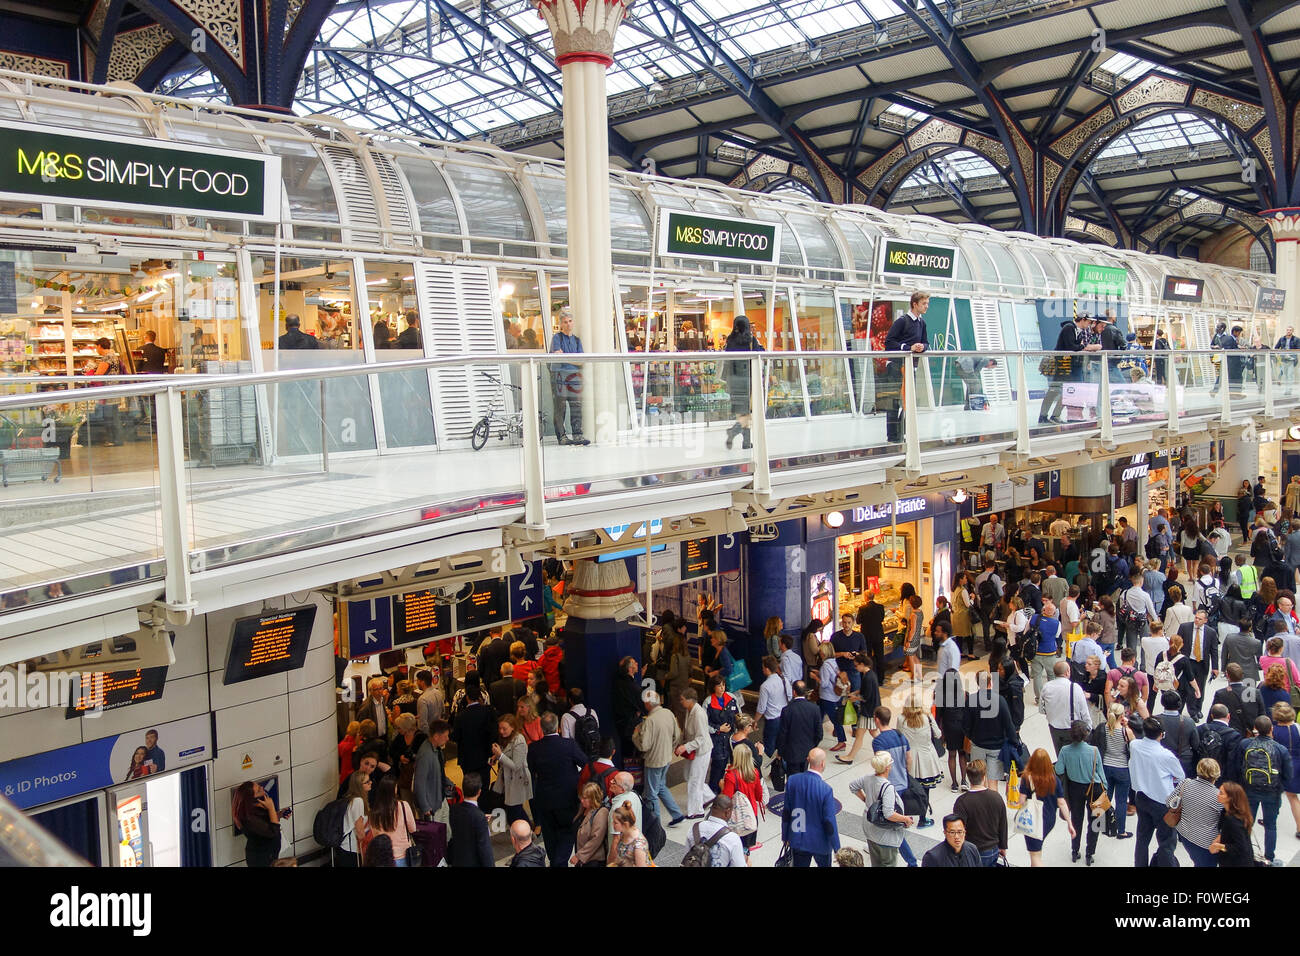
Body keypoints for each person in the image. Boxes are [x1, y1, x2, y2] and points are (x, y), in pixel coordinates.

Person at [527, 711, 588, 866]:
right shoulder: (569, 745)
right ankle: (558, 863)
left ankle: (555, 861)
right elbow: (586, 764)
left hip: (544, 798)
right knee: (567, 833)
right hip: (567, 799)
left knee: (549, 835)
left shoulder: (533, 748)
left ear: (542, 728)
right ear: (557, 727)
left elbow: (532, 770)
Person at [1130, 717, 1186, 867]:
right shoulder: (1166, 755)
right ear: (1161, 734)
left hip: (1141, 798)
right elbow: (1181, 777)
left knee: (1142, 839)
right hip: (1162, 802)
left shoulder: (1135, 746)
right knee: (1167, 842)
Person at [1242, 714, 1294, 865]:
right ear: (1272, 729)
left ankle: (1247, 853)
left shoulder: (1245, 744)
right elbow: (1288, 774)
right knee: (1270, 825)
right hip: (1272, 791)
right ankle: (1269, 857)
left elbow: (1238, 766)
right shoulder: (1280, 749)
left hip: (1249, 789)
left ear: (1255, 730)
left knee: (1247, 823)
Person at [1054, 720, 1107, 864]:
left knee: (1076, 820)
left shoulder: (1065, 750)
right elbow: (1101, 773)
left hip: (1074, 787)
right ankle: (1090, 853)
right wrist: (1105, 790)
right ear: (1086, 734)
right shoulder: (1094, 750)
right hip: (1094, 788)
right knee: (1096, 821)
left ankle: (1074, 850)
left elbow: (1058, 770)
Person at [850, 751, 914, 867]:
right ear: (888, 767)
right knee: (888, 862)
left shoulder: (868, 778)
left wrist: (865, 799)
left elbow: (853, 786)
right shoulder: (887, 787)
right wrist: (906, 819)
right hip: (884, 835)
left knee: (876, 862)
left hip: (869, 828)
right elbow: (888, 813)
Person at [883, 291, 930, 442]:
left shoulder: (922, 323)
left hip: (911, 367)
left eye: (927, 303)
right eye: (924, 303)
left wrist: (922, 347)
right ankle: (892, 435)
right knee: (895, 400)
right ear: (915, 304)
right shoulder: (902, 321)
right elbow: (889, 342)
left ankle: (901, 432)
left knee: (908, 401)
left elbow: (926, 343)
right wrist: (907, 347)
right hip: (897, 366)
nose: (926, 306)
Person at [781, 748, 840, 867]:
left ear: (808, 760)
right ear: (823, 763)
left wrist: (785, 836)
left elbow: (786, 812)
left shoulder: (792, 781)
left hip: (798, 839)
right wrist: (837, 847)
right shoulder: (825, 790)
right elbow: (829, 822)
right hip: (820, 843)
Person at [633, 691, 684, 826]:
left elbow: (644, 745)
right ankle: (677, 814)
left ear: (648, 704)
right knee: (661, 786)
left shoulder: (650, 721)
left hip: (654, 761)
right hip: (667, 758)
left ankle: (655, 825)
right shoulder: (668, 713)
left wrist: (636, 735)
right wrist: (670, 748)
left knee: (651, 794)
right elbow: (677, 734)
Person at [1018, 748, 1074, 866]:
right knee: (1037, 851)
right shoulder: (1054, 779)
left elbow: (1021, 801)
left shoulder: (1027, 778)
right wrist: (1069, 822)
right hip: (1049, 819)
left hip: (1032, 821)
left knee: (1035, 856)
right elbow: (1062, 803)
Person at [1040, 312, 1098, 424]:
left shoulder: (1077, 331)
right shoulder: (1069, 328)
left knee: (1066, 392)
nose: (1090, 324)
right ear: (1083, 320)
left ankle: (1054, 415)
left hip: (1068, 365)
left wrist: (1081, 347)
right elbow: (1072, 347)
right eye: (1089, 322)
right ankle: (1044, 415)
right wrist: (1084, 347)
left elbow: (1075, 347)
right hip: (1062, 364)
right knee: (1055, 391)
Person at [1166, 758, 1225, 868]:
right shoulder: (1219, 796)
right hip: (1206, 843)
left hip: (1185, 834)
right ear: (1216, 774)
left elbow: (1169, 802)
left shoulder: (1185, 783)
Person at [953, 760, 1007, 866]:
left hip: (972, 850)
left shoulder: (962, 802)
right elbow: (1003, 824)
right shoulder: (996, 797)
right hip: (993, 849)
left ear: (969, 777)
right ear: (984, 777)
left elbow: (958, 830)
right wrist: (1003, 846)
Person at [722, 315, 763, 449]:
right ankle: (733, 432)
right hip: (748, 380)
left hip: (734, 381)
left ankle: (746, 442)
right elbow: (760, 353)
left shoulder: (730, 341)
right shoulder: (750, 340)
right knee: (747, 412)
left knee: (743, 412)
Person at [549, 308, 589, 445]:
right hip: (559, 377)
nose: (568, 324)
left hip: (574, 377)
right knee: (560, 407)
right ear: (561, 324)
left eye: (570, 321)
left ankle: (578, 435)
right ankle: (562, 437)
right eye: (565, 322)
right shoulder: (556, 338)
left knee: (576, 405)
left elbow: (582, 361)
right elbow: (559, 357)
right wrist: (574, 359)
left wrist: (565, 357)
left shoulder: (577, 341)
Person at [361, 777, 417, 867]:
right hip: (402, 854)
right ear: (394, 790)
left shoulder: (374, 811)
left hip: (382, 856)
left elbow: (375, 835)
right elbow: (412, 829)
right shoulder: (403, 806)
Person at [721, 745, 765, 857]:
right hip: (751, 817)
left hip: (736, 819)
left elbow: (725, 799)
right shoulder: (754, 772)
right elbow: (759, 796)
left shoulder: (731, 776)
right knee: (745, 850)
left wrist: (722, 786)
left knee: (734, 851)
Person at [1041, 659, 1092, 755]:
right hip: (1072, 729)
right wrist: (1088, 727)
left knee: (1060, 755)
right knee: (1074, 756)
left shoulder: (1046, 687)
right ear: (1067, 672)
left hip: (1054, 728)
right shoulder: (1075, 687)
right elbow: (1084, 711)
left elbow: (1041, 709)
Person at [490, 714, 533, 825]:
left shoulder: (519, 741)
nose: (501, 731)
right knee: (516, 811)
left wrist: (500, 755)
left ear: (513, 727)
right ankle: (526, 834)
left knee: (515, 813)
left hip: (518, 781)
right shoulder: (507, 739)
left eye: (504, 728)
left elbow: (516, 766)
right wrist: (495, 757)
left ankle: (526, 835)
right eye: (500, 728)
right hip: (509, 781)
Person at [1177, 609, 1219, 722]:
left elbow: (1214, 650)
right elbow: (1178, 644)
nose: (1196, 620)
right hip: (1188, 662)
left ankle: (1198, 708)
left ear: (1205, 620)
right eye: (1196, 617)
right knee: (1187, 687)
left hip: (1202, 663)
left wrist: (1215, 667)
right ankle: (1192, 711)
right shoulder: (1184, 627)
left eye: (1200, 619)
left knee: (1200, 687)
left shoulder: (1211, 632)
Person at [677, 688, 714, 817]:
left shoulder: (698, 714)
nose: (680, 702)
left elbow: (701, 738)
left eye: (682, 699)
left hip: (702, 751)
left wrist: (685, 747)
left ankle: (696, 811)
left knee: (695, 780)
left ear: (689, 700)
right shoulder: (690, 710)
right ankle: (708, 797)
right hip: (695, 749)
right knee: (688, 775)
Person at [682, 794, 746, 867]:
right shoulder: (732, 839)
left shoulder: (694, 828)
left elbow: (686, 858)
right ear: (727, 812)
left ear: (711, 809)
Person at [776, 680, 821, 777]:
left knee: (792, 778)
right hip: (807, 751)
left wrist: (780, 751)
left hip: (791, 753)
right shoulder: (815, 709)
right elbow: (819, 733)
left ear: (794, 692)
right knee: (804, 773)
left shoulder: (787, 710)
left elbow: (782, 734)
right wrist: (812, 746)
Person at [231, 780, 282, 867]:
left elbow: (266, 823)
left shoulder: (254, 808)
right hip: (262, 859)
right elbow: (273, 831)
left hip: (269, 854)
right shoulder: (249, 819)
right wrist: (271, 808)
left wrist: (278, 815)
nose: (262, 788)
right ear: (251, 798)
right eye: (258, 789)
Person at [1210, 781, 1257, 866]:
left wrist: (1219, 846)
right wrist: (1219, 837)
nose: (1218, 795)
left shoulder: (1233, 821)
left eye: (1221, 793)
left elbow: (1241, 847)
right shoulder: (1226, 812)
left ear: (1230, 798)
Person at [570, 783, 610, 867]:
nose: (581, 800)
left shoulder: (601, 812)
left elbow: (596, 839)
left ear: (593, 798)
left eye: (585, 798)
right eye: (581, 797)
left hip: (593, 861)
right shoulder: (583, 809)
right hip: (583, 860)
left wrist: (579, 856)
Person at [336, 770, 371, 868]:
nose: (370, 783)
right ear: (359, 786)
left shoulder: (353, 798)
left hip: (348, 848)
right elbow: (359, 831)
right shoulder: (358, 801)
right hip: (352, 849)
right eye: (367, 782)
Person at [857, 590, 888, 674]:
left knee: (868, 657)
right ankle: (881, 678)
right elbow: (881, 619)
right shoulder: (880, 607)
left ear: (865, 597)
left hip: (867, 636)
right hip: (878, 635)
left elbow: (858, 621)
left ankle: (870, 675)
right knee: (880, 656)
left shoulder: (862, 608)